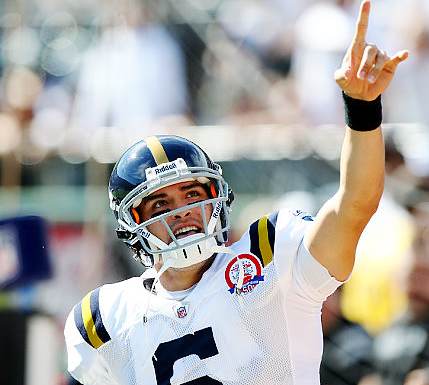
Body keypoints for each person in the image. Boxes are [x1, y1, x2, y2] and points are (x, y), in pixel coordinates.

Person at [64, 1, 408, 384]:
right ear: (132, 223)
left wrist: (362, 109)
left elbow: (356, 205)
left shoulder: (271, 257)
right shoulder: (103, 319)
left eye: (192, 194)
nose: (182, 211)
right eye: (161, 203)